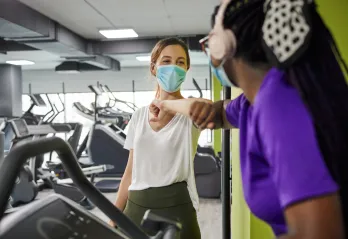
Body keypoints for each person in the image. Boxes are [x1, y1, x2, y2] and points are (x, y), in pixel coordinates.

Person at [150, 0, 348, 238]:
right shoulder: (253, 101)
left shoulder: (278, 102)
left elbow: (318, 233)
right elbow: (217, 112)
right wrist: (165, 104)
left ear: (221, 46)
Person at [109, 37, 201, 238]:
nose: (173, 68)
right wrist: (114, 213)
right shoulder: (139, 115)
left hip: (177, 207)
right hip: (136, 207)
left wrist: (167, 104)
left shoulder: (189, 113)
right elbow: (130, 171)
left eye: (180, 63)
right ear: (154, 68)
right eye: (166, 61)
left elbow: (207, 107)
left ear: (186, 69)